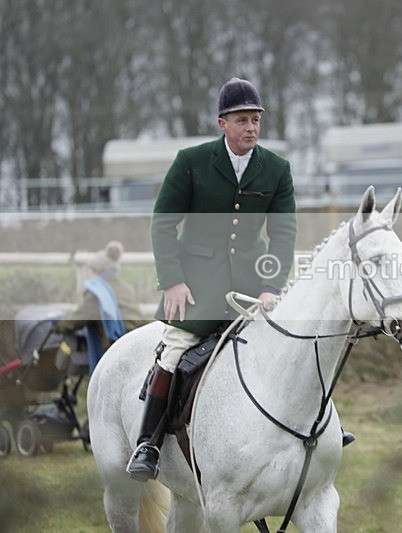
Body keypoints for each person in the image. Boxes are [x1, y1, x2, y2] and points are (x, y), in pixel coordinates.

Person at [126, 77, 299, 481]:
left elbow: (284, 233)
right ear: (222, 123)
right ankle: (148, 444)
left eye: (256, 120)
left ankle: (315, 431)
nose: (251, 128)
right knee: (174, 351)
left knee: (293, 348)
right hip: (196, 288)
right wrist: (172, 280)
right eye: (242, 120)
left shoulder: (277, 169)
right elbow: (163, 222)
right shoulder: (191, 161)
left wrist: (272, 286)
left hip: (253, 288)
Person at [54, 241, 148, 374]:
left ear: (97, 271)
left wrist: (57, 327)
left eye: (90, 270)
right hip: (139, 338)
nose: (87, 274)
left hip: (116, 347)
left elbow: (73, 322)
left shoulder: (97, 292)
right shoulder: (126, 288)